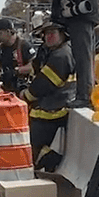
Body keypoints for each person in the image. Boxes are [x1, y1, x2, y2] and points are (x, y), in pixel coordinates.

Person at [51, 0, 99, 107]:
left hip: (80, 15)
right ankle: (86, 93)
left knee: (82, 56)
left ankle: (84, 96)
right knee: (85, 55)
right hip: (83, 14)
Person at [21, 20, 75, 173]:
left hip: (51, 112)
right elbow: (36, 69)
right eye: (46, 34)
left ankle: (45, 163)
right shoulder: (51, 51)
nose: (48, 37)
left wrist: (26, 95)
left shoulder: (61, 56)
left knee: (33, 147)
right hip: (50, 108)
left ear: (63, 34)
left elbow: (44, 84)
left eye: (53, 33)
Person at [0, 17, 35, 93]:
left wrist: (16, 71)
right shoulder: (0, 49)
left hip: (24, 89)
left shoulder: (24, 46)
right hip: (7, 89)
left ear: (8, 31)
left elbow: (33, 65)